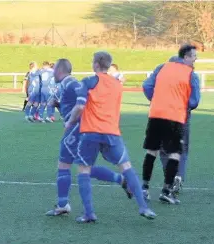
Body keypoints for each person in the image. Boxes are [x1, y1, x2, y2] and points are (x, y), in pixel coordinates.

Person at [67, 51, 156, 223]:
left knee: (84, 170)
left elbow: (79, 107)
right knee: (127, 167)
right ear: (109, 65)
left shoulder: (88, 81)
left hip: (90, 132)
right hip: (112, 132)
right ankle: (144, 207)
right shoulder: (117, 84)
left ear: (95, 64)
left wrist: (69, 122)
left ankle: (89, 213)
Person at [45, 59, 132, 217]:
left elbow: (83, 103)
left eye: (54, 71)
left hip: (77, 129)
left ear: (59, 71)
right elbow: (74, 103)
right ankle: (121, 180)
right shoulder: (69, 84)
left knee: (64, 164)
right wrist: (58, 104)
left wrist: (73, 123)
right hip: (83, 129)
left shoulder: (71, 83)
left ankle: (63, 204)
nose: (52, 74)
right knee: (84, 168)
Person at [142, 45, 200, 204]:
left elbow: (146, 86)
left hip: (157, 113)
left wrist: (156, 99)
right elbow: (194, 101)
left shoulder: (162, 68)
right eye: (194, 56)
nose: (195, 60)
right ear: (186, 58)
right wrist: (184, 105)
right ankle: (172, 182)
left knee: (154, 150)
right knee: (178, 151)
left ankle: (144, 188)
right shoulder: (190, 73)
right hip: (177, 115)